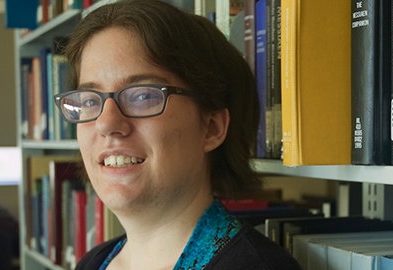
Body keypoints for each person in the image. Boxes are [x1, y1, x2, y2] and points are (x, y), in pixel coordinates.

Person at [53, 0, 301, 269]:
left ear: (211, 127)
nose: (106, 123)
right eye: (89, 101)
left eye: (143, 95)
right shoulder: (93, 262)